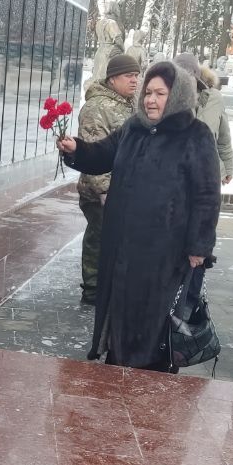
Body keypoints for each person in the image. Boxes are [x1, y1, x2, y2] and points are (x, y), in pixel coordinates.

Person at [57, 61, 221, 371]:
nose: (150, 99)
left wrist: (199, 246)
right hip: (122, 243)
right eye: (148, 92)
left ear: (177, 96)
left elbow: (207, 196)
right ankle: (118, 358)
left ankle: (151, 373)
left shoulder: (195, 135)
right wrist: (76, 149)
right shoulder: (134, 127)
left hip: (164, 250)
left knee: (154, 315)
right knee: (120, 305)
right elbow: (103, 154)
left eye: (160, 93)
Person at [76, 53, 142, 305]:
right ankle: (92, 289)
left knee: (115, 241)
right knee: (99, 238)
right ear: (113, 79)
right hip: (100, 192)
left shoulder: (129, 104)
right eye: (129, 76)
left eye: (136, 75)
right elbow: (94, 150)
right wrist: (105, 190)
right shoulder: (97, 107)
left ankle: (110, 287)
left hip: (125, 190)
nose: (135, 81)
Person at [174, 53, 233, 182]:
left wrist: (228, 167)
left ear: (197, 76)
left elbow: (223, 137)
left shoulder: (215, 99)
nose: (185, 81)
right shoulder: (169, 101)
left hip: (209, 171)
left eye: (189, 75)